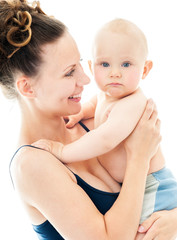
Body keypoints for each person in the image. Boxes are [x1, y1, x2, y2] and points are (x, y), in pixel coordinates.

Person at [0, 1, 176, 239]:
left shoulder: (95, 123)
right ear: (27, 88)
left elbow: (161, 189)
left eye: (81, 64)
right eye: (69, 72)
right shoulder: (32, 165)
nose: (85, 79)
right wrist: (138, 159)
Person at [34, 18, 177, 224]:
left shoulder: (132, 103)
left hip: (154, 187)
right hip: (136, 185)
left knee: (144, 232)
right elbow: (94, 105)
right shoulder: (107, 95)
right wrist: (79, 114)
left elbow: (105, 139)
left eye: (126, 64)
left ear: (145, 69)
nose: (115, 72)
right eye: (105, 64)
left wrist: (62, 151)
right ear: (92, 67)